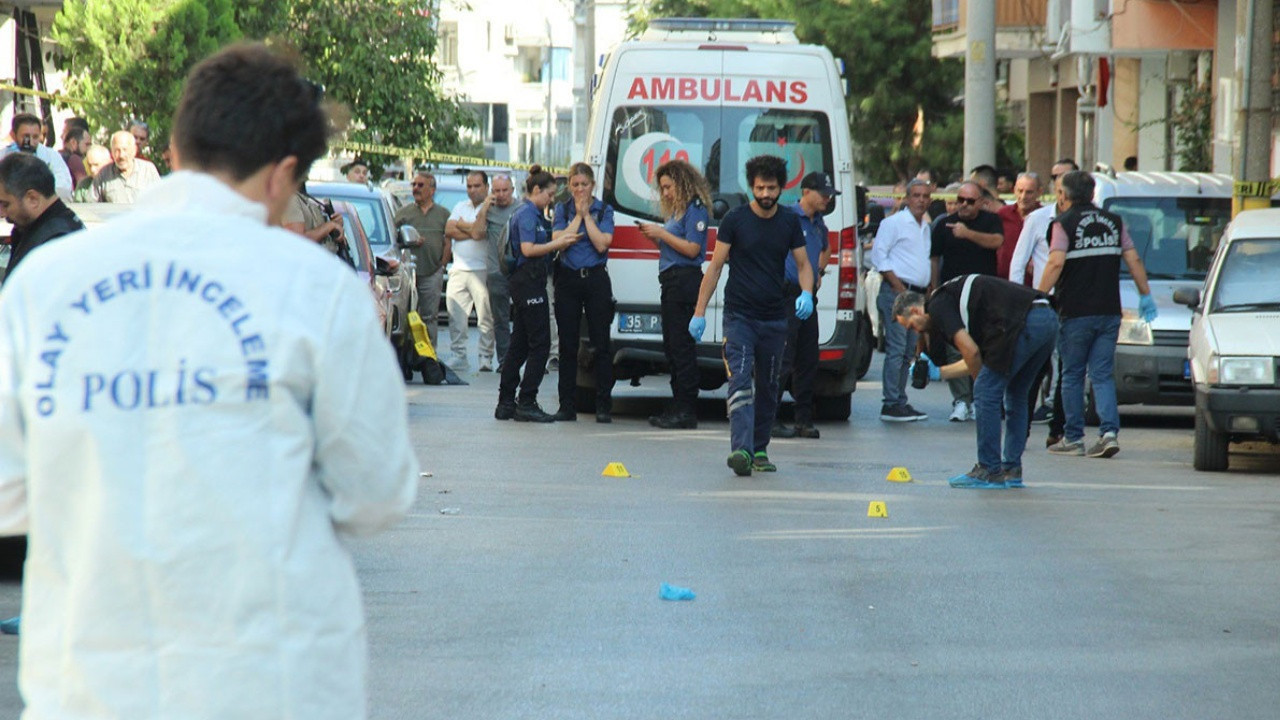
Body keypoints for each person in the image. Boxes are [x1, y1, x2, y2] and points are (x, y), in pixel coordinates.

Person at [0, 42, 418, 719]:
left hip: (87, 684)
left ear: (171, 142)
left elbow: (10, 496)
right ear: (285, 173)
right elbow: (376, 493)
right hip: (272, 682)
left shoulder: (42, 285)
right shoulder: (318, 289)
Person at [690, 155, 814, 476]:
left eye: (771, 188)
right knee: (740, 381)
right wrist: (699, 312)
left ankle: (760, 448)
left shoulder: (789, 222)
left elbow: (803, 265)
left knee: (769, 387)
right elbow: (715, 267)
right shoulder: (735, 220)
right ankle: (741, 450)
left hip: (774, 319)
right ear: (751, 186)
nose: (765, 193)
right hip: (739, 317)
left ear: (781, 188)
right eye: (759, 187)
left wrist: (806, 293)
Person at [892, 274, 1059, 488]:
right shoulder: (953, 302)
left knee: (986, 390)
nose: (915, 332)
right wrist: (939, 372)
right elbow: (975, 356)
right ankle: (1011, 470)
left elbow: (971, 354)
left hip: (1022, 321)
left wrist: (984, 393)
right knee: (1016, 394)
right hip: (1046, 318)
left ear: (915, 310)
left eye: (911, 326)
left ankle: (989, 469)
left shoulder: (938, 305)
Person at [1038, 170, 1157, 459]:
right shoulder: (1114, 222)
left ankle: (1074, 437)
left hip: (1076, 312)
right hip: (1108, 311)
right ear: (1092, 194)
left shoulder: (1062, 224)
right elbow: (1133, 258)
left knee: (1072, 375)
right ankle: (1108, 434)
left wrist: (1038, 297)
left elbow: (1054, 264)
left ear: (1063, 196)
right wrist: (1145, 294)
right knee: (1102, 374)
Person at [496, 167, 573, 422]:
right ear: (537, 190)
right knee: (540, 344)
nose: (551, 199)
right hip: (527, 282)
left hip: (529, 282)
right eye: (549, 194)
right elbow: (528, 250)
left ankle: (506, 402)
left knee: (519, 344)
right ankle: (526, 401)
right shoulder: (527, 214)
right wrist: (558, 244)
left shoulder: (535, 214)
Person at [1009, 159, 1078, 442]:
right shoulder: (1038, 220)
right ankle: (1020, 428)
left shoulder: (1083, 221)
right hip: (1042, 304)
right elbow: (1018, 262)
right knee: (1035, 368)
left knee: (1067, 369)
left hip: (1073, 306)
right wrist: (1017, 305)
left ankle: (1057, 429)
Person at [641, 158, 710, 430]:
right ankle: (678, 403)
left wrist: (662, 233)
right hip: (671, 281)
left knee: (682, 347)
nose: (666, 193)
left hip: (685, 281)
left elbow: (693, 249)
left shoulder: (695, 209)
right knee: (672, 346)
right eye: (663, 189)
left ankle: (686, 408)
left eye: (669, 187)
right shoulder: (677, 212)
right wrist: (656, 236)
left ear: (682, 183)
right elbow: (673, 246)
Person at [930, 180, 1004, 422]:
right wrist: (934, 288)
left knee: (982, 348)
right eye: (960, 199)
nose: (963, 205)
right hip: (952, 296)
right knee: (955, 348)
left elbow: (996, 242)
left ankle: (980, 398)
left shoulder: (990, 221)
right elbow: (934, 259)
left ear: (981, 202)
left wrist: (967, 234)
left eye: (969, 201)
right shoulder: (944, 224)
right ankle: (961, 400)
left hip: (983, 297)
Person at [549, 163, 616, 422]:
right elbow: (560, 241)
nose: (579, 189)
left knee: (601, 344)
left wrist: (588, 217)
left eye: (584, 185)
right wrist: (577, 216)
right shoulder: (562, 209)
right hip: (568, 279)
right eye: (575, 185)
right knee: (568, 345)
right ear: (569, 186)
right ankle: (567, 405)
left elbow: (601, 244)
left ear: (593, 185)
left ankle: (603, 406)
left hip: (596, 278)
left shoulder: (605, 210)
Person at [772, 171, 836, 439]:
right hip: (785, 295)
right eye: (823, 194)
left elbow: (825, 249)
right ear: (806, 191)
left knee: (808, 358)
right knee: (782, 356)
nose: (827, 199)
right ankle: (770, 417)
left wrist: (818, 273)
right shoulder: (785, 218)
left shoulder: (819, 224)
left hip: (807, 295)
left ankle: (803, 419)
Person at [871, 179, 932, 422]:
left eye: (925, 196)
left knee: (908, 350)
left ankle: (900, 400)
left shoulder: (925, 227)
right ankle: (891, 403)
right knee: (897, 348)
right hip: (898, 292)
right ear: (907, 198)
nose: (921, 200)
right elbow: (879, 257)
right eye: (916, 195)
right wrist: (900, 290)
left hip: (916, 294)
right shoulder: (893, 223)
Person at [0, 153, 85, 280]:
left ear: (33, 199)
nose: (2, 213)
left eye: (5, 204)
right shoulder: (38, 229)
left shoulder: (57, 242)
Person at [444, 170, 497, 372]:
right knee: (455, 315)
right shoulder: (460, 206)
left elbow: (479, 232)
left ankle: (485, 357)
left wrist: (463, 226)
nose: (472, 190)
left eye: (477, 186)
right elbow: (449, 230)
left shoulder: (491, 208)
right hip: (458, 269)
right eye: (469, 186)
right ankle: (459, 355)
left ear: (486, 187)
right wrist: (471, 229)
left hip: (482, 270)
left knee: (485, 316)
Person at [393, 170, 451, 351]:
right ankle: (409, 355)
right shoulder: (404, 213)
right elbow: (392, 240)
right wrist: (408, 240)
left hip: (432, 272)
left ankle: (429, 355)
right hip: (408, 274)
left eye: (420, 185)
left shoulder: (443, 214)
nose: (416, 188)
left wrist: (441, 264)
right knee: (408, 316)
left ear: (432, 190)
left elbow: (448, 240)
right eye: (414, 185)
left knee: (430, 316)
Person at [483, 173, 519, 366]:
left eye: (505, 190)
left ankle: (523, 358)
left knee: (523, 318)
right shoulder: (488, 210)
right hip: (496, 273)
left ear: (512, 190)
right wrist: (484, 208)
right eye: (497, 190)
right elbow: (477, 232)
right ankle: (504, 360)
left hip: (517, 272)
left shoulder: (521, 208)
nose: (501, 194)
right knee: (500, 320)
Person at [2, 113, 73, 201]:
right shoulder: (3, 156)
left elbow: (64, 187)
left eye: (35, 137)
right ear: (14, 135)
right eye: (26, 137)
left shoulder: (51, 156)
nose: (30, 142)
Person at [996, 172, 1044, 282]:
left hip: (1034, 283)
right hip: (1003, 281)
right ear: (1014, 190)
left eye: (1029, 192)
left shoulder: (1046, 217)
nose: (1023, 197)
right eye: (1020, 191)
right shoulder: (1002, 214)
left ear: (1039, 192)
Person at [91, 130, 161, 203]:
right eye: (117, 150)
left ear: (134, 150)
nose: (121, 155)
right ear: (112, 152)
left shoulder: (148, 170)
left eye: (125, 150)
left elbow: (161, 200)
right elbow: (91, 205)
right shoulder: (103, 174)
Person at [59, 124, 90, 188]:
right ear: (73, 142)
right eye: (87, 144)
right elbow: (84, 187)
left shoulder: (56, 156)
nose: (89, 148)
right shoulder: (74, 159)